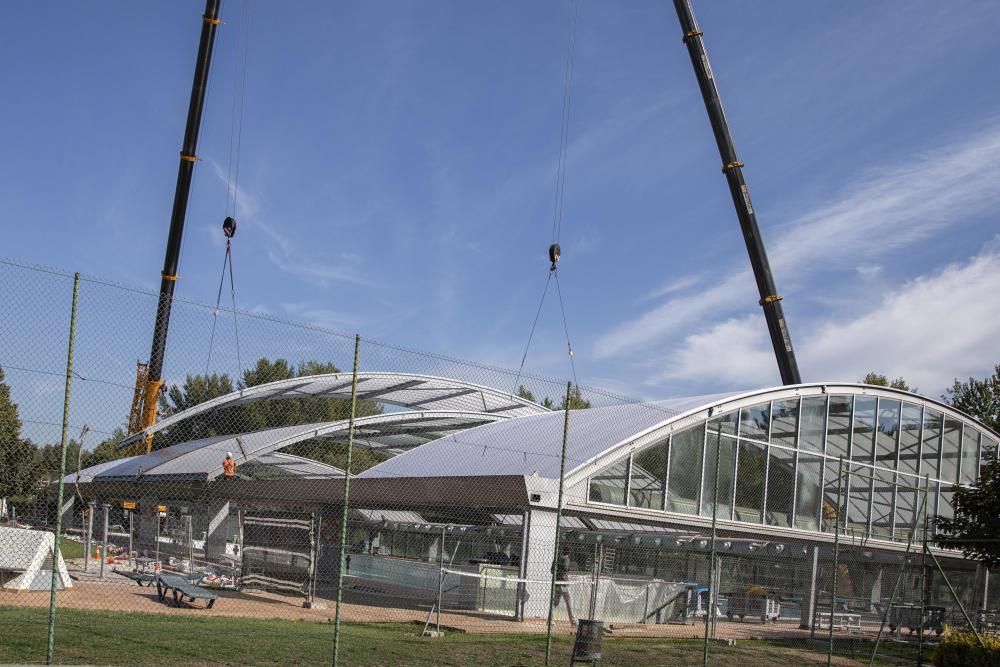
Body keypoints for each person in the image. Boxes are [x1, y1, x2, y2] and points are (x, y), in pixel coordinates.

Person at [552, 550, 576, 626]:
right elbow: (565, 569)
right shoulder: (566, 559)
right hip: (564, 584)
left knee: (555, 603)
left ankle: (550, 620)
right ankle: (573, 621)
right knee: (569, 602)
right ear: (569, 553)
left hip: (557, 583)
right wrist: (568, 570)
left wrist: (558, 574)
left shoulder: (557, 558)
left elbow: (552, 570)